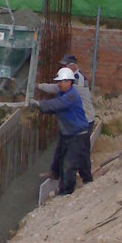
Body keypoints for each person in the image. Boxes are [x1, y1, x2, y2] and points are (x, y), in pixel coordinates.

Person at [38, 54, 95, 184]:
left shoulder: (76, 81)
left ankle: (86, 179)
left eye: (65, 65)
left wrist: (39, 88)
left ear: (73, 66)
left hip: (84, 120)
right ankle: (55, 173)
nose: (63, 67)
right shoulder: (69, 80)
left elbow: (58, 97)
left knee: (81, 153)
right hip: (72, 122)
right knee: (61, 148)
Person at [31, 66, 89, 196]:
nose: (58, 84)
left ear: (69, 82)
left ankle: (66, 192)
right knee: (59, 155)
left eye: (61, 82)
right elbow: (54, 107)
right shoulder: (62, 94)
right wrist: (42, 108)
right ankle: (55, 173)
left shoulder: (71, 96)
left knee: (70, 164)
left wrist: (39, 104)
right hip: (67, 132)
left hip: (78, 134)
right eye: (58, 81)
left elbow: (56, 105)